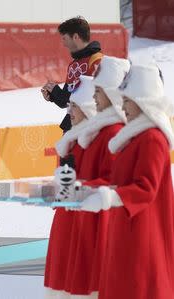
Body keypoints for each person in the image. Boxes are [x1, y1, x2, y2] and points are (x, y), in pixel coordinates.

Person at [80, 64, 174, 299]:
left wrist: (108, 197)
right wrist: (87, 190)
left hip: (143, 231)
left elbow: (146, 188)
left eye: (128, 100)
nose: (123, 106)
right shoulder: (134, 138)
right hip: (125, 227)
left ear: (143, 101)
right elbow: (117, 179)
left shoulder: (152, 139)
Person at [63, 57, 130, 298]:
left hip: (100, 222)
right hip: (83, 218)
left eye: (98, 93)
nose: (69, 111)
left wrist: (76, 188)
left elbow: (113, 181)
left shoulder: (112, 133)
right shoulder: (85, 138)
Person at [45, 75, 96, 297]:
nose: (70, 111)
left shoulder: (96, 139)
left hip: (86, 221)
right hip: (67, 217)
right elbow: (65, 189)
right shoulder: (70, 141)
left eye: (75, 106)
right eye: (70, 105)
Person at [41, 17, 103, 133]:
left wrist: (57, 92)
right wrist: (53, 94)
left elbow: (91, 98)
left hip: (89, 127)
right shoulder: (73, 65)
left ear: (75, 37)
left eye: (65, 39)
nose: (63, 44)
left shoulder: (97, 60)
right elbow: (65, 102)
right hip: (71, 126)